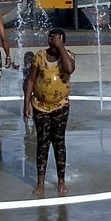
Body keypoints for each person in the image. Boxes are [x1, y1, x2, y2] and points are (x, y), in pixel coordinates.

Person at [25, 28, 76, 196]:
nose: (51, 40)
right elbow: (31, 80)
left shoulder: (68, 56)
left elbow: (69, 70)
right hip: (40, 106)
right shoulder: (39, 56)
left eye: (55, 38)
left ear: (62, 40)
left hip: (60, 106)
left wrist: (61, 48)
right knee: (43, 143)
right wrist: (26, 104)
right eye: (50, 38)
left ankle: (61, 181)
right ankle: (40, 182)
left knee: (59, 143)